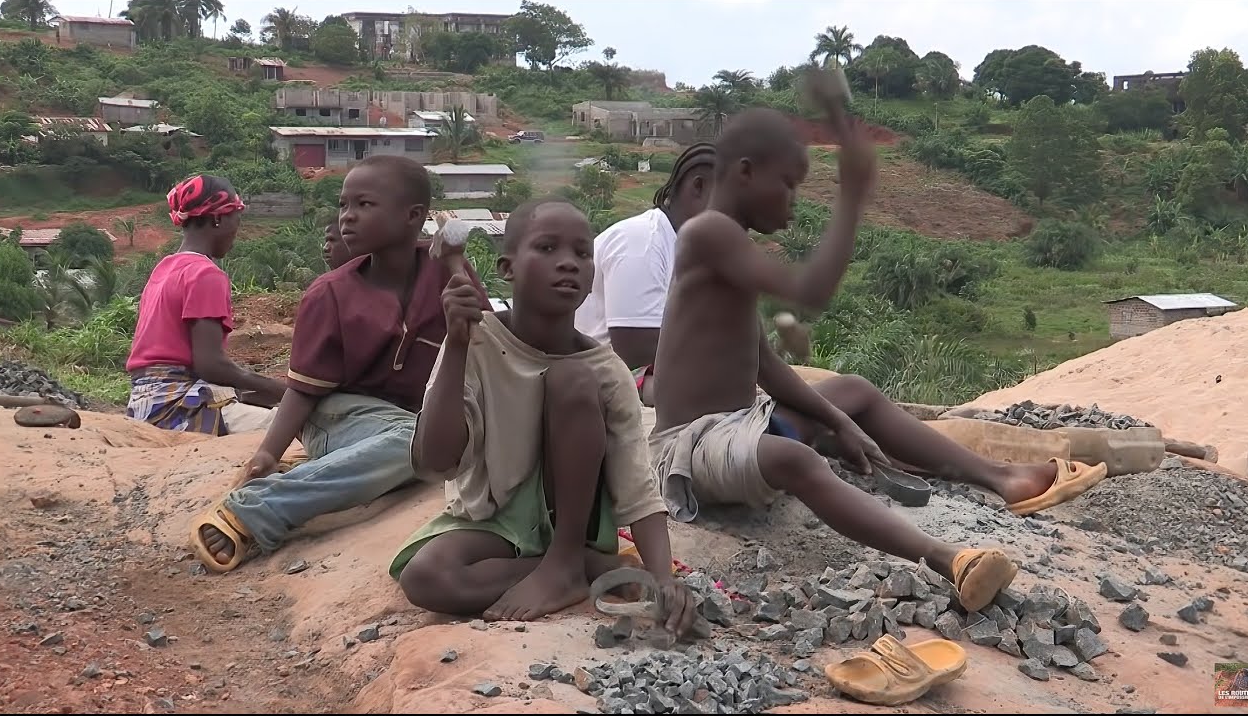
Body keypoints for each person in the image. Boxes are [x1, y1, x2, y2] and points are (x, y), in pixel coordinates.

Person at [648, 75, 1108, 613]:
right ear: (745, 173)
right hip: (691, 448)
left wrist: (843, 422)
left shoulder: (730, 247)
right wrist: (853, 195)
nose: (795, 201)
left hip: (741, 424)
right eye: (789, 184)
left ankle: (1002, 478)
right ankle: (948, 560)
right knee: (797, 460)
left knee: (855, 393)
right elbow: (811, 290)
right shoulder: (708, 234)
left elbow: (765, 365)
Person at [392, 197, 694, 630]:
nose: (568, 263)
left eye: (582, 253)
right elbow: (436, 462)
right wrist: (456, 347)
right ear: (506, 268)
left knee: (571, 378)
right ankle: (585, 569)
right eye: (547, 248)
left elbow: (636, 488)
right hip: (498, 519)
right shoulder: (475, 340)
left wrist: (665, 579)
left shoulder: (605, 369)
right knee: (426, 578)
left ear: (593, 275)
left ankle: (568, 557)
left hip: (570, 516)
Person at [189, 155, 488, 573]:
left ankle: (339, 468)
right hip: (338, 413)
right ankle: (255, 510)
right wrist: (266, 454)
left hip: (419, 417)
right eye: (344, 205)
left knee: (438, 446)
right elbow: (304, 391)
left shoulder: (447, 276)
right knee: (418, 442)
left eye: (364, 205)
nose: (348, 217)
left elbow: (487, 349)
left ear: (413, 216)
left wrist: (461, 283)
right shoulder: (329, 293)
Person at [125, 175, 285, 435]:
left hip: (143, 404)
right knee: (292, 426)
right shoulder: (205, 275)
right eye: (237, 217)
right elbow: (210, 365)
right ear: (218, 218)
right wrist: (283, 390)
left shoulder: (164, 269)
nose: (238, 228)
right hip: (175, 407)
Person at [574, 144, 716, 406]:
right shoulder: (642, 242)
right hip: (609, 372)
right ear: (698, 187)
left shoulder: (687, 248)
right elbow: (635, 348)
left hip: (643, 370)